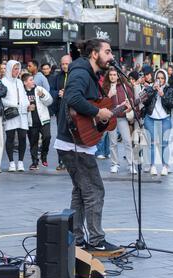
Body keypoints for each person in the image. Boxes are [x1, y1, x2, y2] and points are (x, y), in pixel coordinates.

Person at [54, 38, 126, 253]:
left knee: (81, 191)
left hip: (77, 142)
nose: (111, 56)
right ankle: (96, 241)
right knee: (95, 191)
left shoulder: (90, 74)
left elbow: (91, 106)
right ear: (94, 54)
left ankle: (76, 239)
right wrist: (97, 112)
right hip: (73, 143)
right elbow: (72, 97)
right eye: (107, 51)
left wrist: (104, 113)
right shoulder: (81, 72)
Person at [143, 69, 173, 176]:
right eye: (158, 78)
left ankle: (165, 166)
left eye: (162, 78)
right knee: (151, 143)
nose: (160, 80)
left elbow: (171, 104)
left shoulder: (169, 90)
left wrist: (162, 95)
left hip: (165, 119)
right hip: (150, 118)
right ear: (155, 78)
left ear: (165, 79)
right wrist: (152, 90)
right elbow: (145, 101)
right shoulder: (149, 88)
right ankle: (152, 166)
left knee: (164, 144)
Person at [105, 67, 136, 174]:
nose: (112, 77)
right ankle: (114, 164)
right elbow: (101, 102)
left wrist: (129, 106)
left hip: (122, 117)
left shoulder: (124, 86)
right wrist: (109, 94)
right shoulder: (105, 87)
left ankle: (131, 164)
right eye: (110, 75)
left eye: (114, 74)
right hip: (111, 118)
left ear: (118, 75)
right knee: (113, 142)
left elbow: (132, 100)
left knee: (127, 141)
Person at [1, 60, 30, 172]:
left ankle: (21, 162)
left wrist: (26, 104)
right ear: (9, 69)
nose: (17, 71)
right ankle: (11, 162)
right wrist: (13, 104)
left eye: (18, 69)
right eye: (15, 68)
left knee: (22, 137)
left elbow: (24, 95)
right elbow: (2, 99)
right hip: (11, 113)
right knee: (10, 137)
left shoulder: (19, 82)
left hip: (22, 113)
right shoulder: (3, 81)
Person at [21, 73, 53, 170]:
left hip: (44, 119)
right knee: (33, 142)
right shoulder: (22, 92)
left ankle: (44, 156)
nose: (33, 82)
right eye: (30, 80)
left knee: (47, 137)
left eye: (32, 79)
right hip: (31, 122)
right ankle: (34, 162)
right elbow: (19, 105)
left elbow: (50, 101)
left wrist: (42, 95)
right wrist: (27, 108)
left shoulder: (39, 89)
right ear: (25, 82)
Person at [51, 55, 72, 170]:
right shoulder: (57, 77)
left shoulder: (75, 75)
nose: (64, 66)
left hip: (74, 110)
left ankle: (74, 160)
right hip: (61, 110)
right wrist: (58, 93)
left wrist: (67, 94)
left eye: (66, 64)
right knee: (61, 136)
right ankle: (62, 161)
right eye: (63, 64)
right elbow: (52, 90)